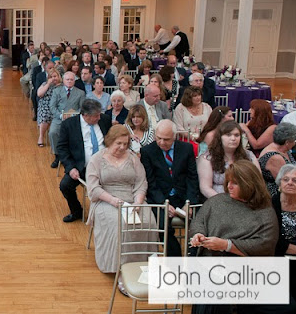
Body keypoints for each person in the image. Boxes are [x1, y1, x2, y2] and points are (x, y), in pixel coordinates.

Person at [190, 161, 290, 314]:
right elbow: (199, 222)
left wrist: (227, 245)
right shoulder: (216, 201)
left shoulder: (264, 211)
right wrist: (198, 235)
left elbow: (264, 245)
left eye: (235, 183)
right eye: (228, 181)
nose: (229, 186)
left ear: (248, 184)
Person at [86, 125, 155, 276]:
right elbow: (93, 188)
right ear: (110, 141)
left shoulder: (132, 158)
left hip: (132, 198)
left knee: (148, 221)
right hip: (106, 200)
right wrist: (114, 201)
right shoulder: (96, 160)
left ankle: (142, 265)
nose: (123, 147)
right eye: (119, 143)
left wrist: (137, 202)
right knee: (120, 224)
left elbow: (141, 182)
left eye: (126, 144)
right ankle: (120, 268)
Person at [140, 119, 198, 256]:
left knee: (200, 224)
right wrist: (163, 203)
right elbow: (151, 182)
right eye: (158, 138)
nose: (161, 142)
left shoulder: (186, 149)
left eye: (166, 139)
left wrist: (189, 203)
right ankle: (175, 259)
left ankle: (194, 255)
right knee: (162, 226)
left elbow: (192, 178)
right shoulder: (147, 151)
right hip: (160, 197)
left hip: (183, 196)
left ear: (174, 137)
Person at [57, 99, 112, 222]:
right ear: (85, 115)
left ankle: (107, 213)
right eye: (96, 116)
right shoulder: (69, 125)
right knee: (65, 186)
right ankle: (76, 211)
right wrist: (70, 168)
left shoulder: (105, 120)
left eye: (99, 114)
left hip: (105, 165)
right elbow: (62, 148)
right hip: (81, 166)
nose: (99, 118)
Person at [197, 121, 259, 200]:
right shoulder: (207, 158)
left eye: (236, 135)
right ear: (220, 137)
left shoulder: (249, 156)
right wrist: (225, 203)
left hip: (246, 200)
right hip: (218, 202)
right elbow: (205, 188)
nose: (233, 139)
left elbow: (257, 181)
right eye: (228, 135)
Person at [272, 164, 296, 306]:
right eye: (286, 179)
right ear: (279, 183)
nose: (290, 183)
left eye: (295, 180)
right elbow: (271, 238)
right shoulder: (271, 205)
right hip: (278, 258)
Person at [48, 72, 86, 168]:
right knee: (52, 132)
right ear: (63, 80)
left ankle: (73, 156)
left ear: (74, 81)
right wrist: (60, 115)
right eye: (67, 79)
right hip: (59, 118)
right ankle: (57, 155)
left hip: (73, 120)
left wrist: (73, 114)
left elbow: (82, 108)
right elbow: (52, 106)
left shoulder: (80, 93)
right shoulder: (57, 91)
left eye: (71, 79)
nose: (69, 81)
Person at [258, 122, 296, 197]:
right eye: (293, 141)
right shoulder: (274, 157)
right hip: (278, 194)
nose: (294, 144)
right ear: (287, 142)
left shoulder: (283, 149)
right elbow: (284, 182)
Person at [36, 68, 61, 148]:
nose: (54, 78)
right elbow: (39, 94)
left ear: (59, 77)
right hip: (45, 106)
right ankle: (41, 137)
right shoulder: (45, 84)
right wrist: (48, 84)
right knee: (45, 115)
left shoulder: (62, 86)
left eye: (55, 76)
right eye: (51, 77)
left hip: (58, 107)